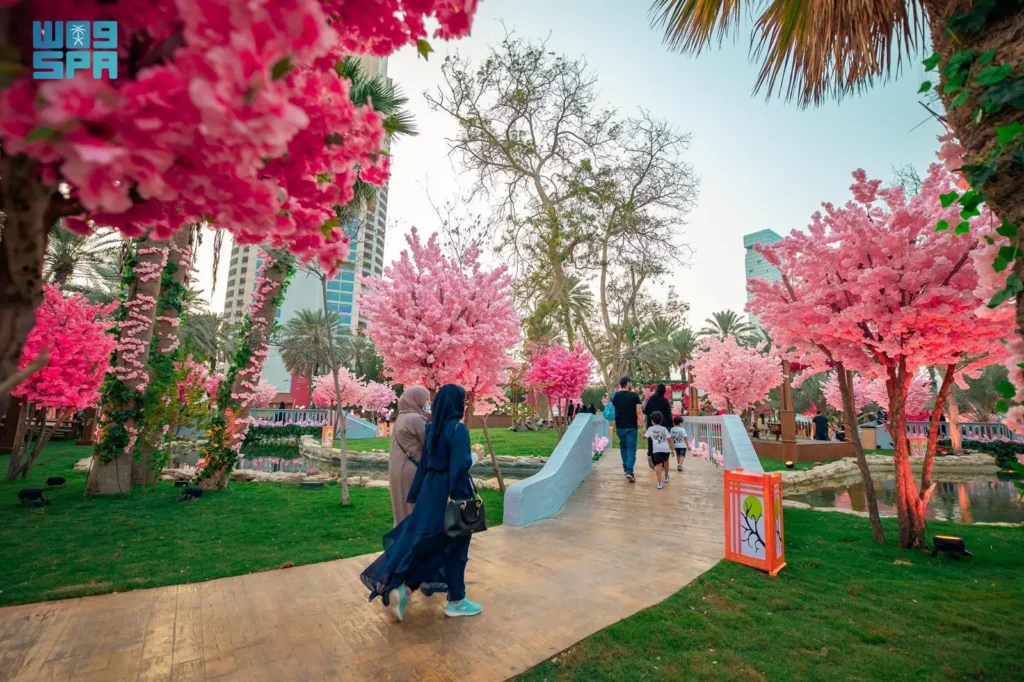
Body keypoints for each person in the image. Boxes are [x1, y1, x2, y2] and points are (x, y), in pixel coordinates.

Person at [361, 384, 484, 621]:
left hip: (431, 495)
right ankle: (457, 601)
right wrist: (475, 456)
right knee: (457, 548)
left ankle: (405, 589)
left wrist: (418, 495)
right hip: (451, 496)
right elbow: (458, 468)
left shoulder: (433, 431)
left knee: (433, 546)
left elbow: (427, 464)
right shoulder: (458, 430)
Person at [388, 385, 429, 526]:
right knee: (413, 509)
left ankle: (400, 541)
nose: (426, 403)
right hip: (411, 469)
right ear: (416, 399)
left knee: (401, 509)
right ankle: (411, 543)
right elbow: (430, 443)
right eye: (424, 399)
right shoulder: (415, 419)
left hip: (398, 467)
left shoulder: (401, 418)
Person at [610, 376, 644, 482]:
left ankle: (626, 469)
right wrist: (643, 425)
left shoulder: (615, 396)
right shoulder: (634, 396)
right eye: (630, 383)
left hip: (620, 426)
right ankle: (629, 471)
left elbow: (613, 411)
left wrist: (614, 425)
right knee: (631, 449)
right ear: (628, 383)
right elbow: (638, 411)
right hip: (631, 427)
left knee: (623, 448)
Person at [643, 384, 674, 480]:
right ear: (664, 391)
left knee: (651, 441)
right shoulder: (665, 401)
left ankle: (652, 458)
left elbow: (645, 410)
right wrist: (671, 425)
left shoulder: (651, 399)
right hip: (663, 425)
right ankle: (662, 460)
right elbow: (669, 414)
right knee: (661, 441)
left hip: (651, 424)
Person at [644, 411, 672, 489]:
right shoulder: (664, 428)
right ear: (661, 420)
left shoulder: (650, 429)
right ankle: (666, 476)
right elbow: (669, 439)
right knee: (666, 462)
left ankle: (660, 483)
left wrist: (642, 434)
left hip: (657, 450)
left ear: (652, 421)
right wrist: (672, 449)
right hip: (666, 449)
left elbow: (644, 437)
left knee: (658, 465)